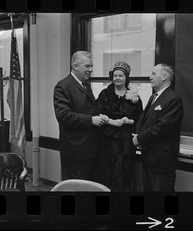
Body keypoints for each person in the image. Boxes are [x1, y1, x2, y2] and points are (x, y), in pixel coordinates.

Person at [53, 51, 107, 181]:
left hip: (90, 149)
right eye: (87, 66)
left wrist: (99, 116)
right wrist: (91, 120)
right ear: (75, 66)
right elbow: (63, 115)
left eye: (91, 66)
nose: (91, 70)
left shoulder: (85, 85)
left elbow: (86, 109)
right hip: (75, 152)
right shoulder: (63, 86)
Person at [132, 63, 184, 192]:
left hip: (162, 161)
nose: (150, 77)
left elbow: (162, 127)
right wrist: (138, 134)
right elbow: (142, 119)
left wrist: (140, 138)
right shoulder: (153, 97)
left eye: (154, 74)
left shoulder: (173, 99)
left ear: (164, 76)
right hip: (148, 157)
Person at [96, 62, 143, 191]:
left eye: (120, 75)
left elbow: (140, 118)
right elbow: (96, 112)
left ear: (126, 77)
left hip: (126, 144)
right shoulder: (105, 94)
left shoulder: (134, 96)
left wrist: (129, 121)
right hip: (106, 141)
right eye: (115, 75)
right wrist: (111, 121)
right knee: (106, 174)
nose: (117, 78)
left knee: (124, 174)